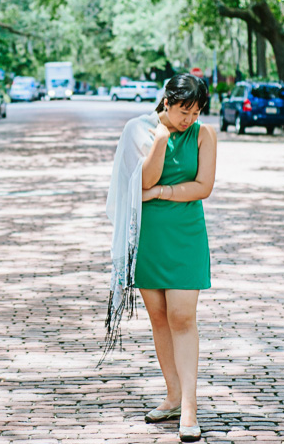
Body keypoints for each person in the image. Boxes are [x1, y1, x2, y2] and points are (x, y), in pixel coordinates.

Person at [103, 74, 216, 443]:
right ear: (166, 102)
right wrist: (162, 139)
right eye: (185, 111)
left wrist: (164, 192)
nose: (189, 119)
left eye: (196, 112)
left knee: (183, 316)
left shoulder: (204, 135)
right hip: (149, 236)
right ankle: (171, 394)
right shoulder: (140, 130)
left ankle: (189, 408)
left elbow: (203, 186)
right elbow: (140, 183)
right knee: (159, 317)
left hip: (185, 236)